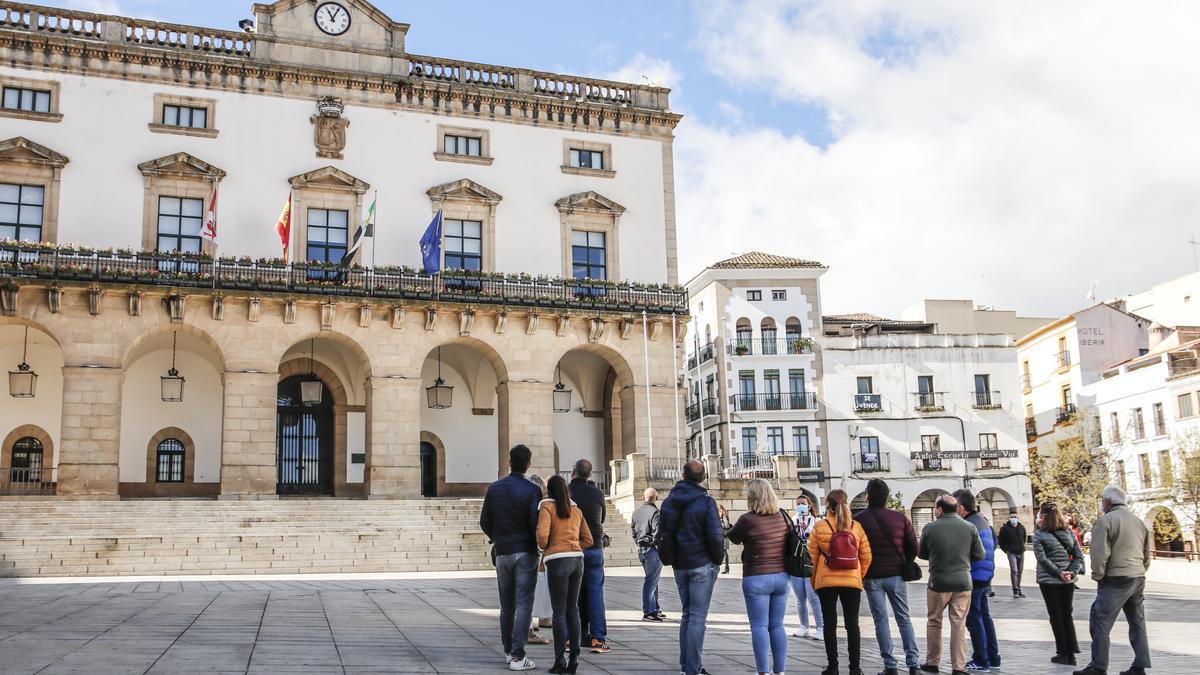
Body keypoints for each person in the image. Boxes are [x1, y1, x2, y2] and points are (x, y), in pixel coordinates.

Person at [1073, 485, 1152, 675]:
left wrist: (1098, 575)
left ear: (1107, 502)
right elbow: (1146, 554)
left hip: (1116, 578)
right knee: (1137, 621)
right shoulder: (1138, 522)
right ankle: (1139, 666)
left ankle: (1098, 666)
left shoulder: (1105, 521)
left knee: (1099, 620)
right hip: (1137, 576)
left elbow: (1099, 554)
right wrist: (1140, 570)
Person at [479, 444, 543, 671]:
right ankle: (518, 656)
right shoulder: (532, 490)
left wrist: (497, 538)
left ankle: (508, 652)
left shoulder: (494, 488)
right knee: (525, 604)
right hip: (525, 551)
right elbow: (536, 523)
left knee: (507, 606)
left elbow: (484, 521)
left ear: (509, 462)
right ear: (528, 464)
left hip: (503, 551)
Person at [659, 459, 725, 675]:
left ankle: (687, 665)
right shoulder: (706, 501)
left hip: (680, 564)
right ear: (703, 477)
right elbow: (716, 535)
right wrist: (718, 560)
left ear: (684, 475)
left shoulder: (669, 501)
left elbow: (664, 533)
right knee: (697, 617)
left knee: (687, 615)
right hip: (702, 563)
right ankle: (692, 668)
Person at [855, 478, 920, 675]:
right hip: (897, 574)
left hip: (872, 576)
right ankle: (913, 664)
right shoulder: (900, 518)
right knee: (903, 618)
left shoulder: (859, 520)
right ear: (887, 497)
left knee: (880, 620)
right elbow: (913, 547)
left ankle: (890, 665)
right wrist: (905, 560)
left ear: (868, 497)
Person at [727, 478, 791, 675]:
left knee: (759, 625)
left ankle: (762, 671)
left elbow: (733, 537)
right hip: (781, 576)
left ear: (751, 497)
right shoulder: (783, 516)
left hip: (756, 576)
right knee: (777, 625)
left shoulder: (747, 519)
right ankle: (779, 671)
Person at [809, 489, 873, 675]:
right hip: (851, 582)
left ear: (828, 505)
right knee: (852, 625)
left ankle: (833, 667)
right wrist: (857, 576)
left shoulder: (821, 526)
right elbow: (866, 556)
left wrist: (815, 581)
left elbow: (811, 558)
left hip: (826, 582)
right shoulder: (856, 526)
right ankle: (855, 668)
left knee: (829, 625)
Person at [918, 494, 984, 675]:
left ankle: (932, 662)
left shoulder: (930, 528)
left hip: (938, 582)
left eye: (935, 508)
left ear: (939, 509)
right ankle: (958, 667)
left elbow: (922, 554)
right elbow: (980, 555)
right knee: (959, 624)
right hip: (963, 583)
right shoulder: (970, 527)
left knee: (934, 622)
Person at [536, 475, 594, 674]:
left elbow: (542, 535)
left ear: (548, 490)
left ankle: (559, 660)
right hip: (577, 559)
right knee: (573, 609)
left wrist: (547, 548)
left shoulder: (546, 507)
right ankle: (575, 657)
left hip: (557, 560)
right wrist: (574, 546)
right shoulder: (576, 510)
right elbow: (588, 539)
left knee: (558, 612)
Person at [952, 489, 1000, 673]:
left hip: (974, 576)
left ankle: (981, 659)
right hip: (986, 575)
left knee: (974, 619)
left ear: (961, 509)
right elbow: (993, 545)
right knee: (985, 617)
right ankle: (993, 657)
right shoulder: (983, 521)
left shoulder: (968, 525)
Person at [1033, 502, 1084, 666]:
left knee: (1056, 616)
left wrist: (1058, 573)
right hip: (1068, 581)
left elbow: (1042, 558)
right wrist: (1071, 572)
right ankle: (1072, 653)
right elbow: (1078, 557)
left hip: (1049, 580)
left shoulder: (1039, 535)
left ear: (1042, 517)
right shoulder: (1070, 534)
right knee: (1067, 614)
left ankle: (1062, 652)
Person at [569, 460, 610, 654]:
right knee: (595, 594)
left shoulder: (566, 492)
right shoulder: (597, 493)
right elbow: (602, 518)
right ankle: (597, 639)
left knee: (572, 595)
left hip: (572, 548)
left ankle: (571, 638)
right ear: (590, 475)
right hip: (594, 546)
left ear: (572, 473)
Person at [790, 494, 824, 642]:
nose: (800, 506)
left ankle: (821, 628)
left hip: (811, 563)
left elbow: (820, 539)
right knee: (799, 598)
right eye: (798, 504)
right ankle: (804, 626)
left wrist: (807, 532)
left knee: (813, 598)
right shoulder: (792, 520)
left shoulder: (816, 521)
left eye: (803, 503)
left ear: (809, 505)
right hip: (796, 562)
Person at [632, 487, 667, 622]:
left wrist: (638, 542)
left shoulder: (636, 512)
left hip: (641, 549)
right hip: (652, 549)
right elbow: (657, 533)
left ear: (643, 498)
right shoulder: (655, 513)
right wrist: (658, 547)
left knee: (653, 579)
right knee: (651, 581)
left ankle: (655, 607)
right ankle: (648, 611)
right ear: (656, 499)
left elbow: (633, 530)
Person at [527, 474, 552, 646]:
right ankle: (542, 620)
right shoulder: (543, 506)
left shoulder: (523, 502)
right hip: (537, 551)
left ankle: (530, 626)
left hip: (524, 549)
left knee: (525, 593)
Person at [997, 511, 1028, 598]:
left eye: (1015, 517)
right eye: (1012, 517)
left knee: (1020, 572)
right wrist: (1006, 550)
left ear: (1018, 518)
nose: (1013, 518)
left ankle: (1019, 588)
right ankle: (1015, 590)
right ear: (1009, 518)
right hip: (1011, 552)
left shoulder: (1021, 527)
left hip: (1021, 552)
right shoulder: (1005, 528)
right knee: (1014, 571)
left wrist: (1022, 546)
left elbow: (1024, 538)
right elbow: (1001, 541)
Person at [717, 503, 733, 574]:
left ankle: (726, 568)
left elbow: (726, 525)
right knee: (722, 552)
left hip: (724, 536)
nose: (718, 512)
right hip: (720, 536)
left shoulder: (724, 516)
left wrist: (720, 520)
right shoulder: (721, 517)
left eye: (719, 510)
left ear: (722, 510)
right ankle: (726, 568)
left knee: (725, 552)